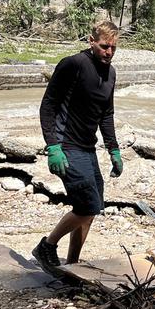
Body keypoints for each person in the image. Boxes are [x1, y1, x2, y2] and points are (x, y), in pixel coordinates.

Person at [32, 21, 123, 275]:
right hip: (66, 146)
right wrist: (52, 146)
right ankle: (47, 246)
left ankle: (72, 264)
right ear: (91, 41)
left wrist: (113, 149)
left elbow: (107, 113)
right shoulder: (73, 64)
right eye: (104, 46)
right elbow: (48, 106)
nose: (109, 52)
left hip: (88, 148)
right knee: (87, 207)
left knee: (92, 210)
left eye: (113, 47)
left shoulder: (111, 73)